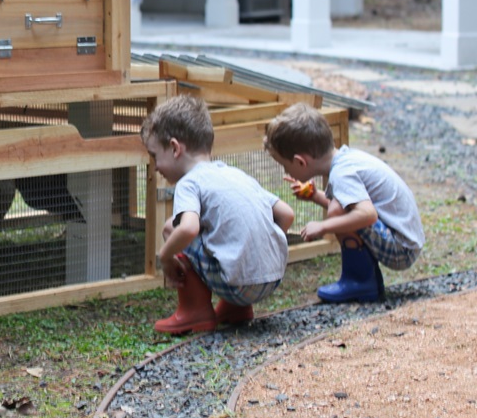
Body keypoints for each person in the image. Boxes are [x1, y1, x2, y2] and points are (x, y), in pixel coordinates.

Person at [141, 95, 294, 334]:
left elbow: (188, 229)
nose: (155, 166)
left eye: (154, 156)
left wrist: (165, 256)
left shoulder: (189, 183)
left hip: (237, 284)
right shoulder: (235, 174)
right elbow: (287, 214)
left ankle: (195, 313)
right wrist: (258, 248)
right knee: (224, 235)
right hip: (273, 277)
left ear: (174, 148)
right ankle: (235, 309)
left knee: (172, 227)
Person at [264, 102, 425, 303]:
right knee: (337, 209)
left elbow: (367, 214)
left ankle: (359, 282)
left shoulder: (341, 174)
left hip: (401, 248)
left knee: (335, 213)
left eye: (284, 166)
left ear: (300, 162)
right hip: (404, 237)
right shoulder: (345, 159)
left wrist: (323, 226)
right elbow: (354, 208)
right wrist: (315, 196)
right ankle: (364, 281)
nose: (286, 172)